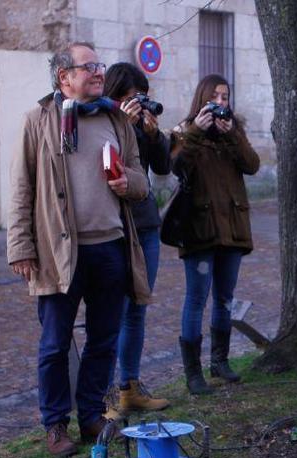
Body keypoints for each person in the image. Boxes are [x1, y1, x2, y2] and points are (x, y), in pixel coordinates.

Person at [7, 42, 150, 457]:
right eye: (88, 67)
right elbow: (21, 189)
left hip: (110, 247)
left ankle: (90, 416)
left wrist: (130, 185)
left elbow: (141, 177)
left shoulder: (114, 119)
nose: (98, 72)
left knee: (104, 339)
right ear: (63, 77)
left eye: (99, 65)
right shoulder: (38, 120)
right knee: (55, 343)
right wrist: (21, 246)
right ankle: (55, 426)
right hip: (57, 253)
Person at [170, 74, 261, 395]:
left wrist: (232, 137)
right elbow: (177, 166)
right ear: (202, 100)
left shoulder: (233, 132)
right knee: (196, 300)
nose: (222, 104)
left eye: (225, 97)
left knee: (224, 298)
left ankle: (219, 362)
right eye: (215, 98)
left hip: (232, 228)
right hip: (199, 230)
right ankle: (194, 374)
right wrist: (196, 131)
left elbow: (252, 165)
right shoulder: (184, 131)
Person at [102, 62, 171, 415]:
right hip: (112, 226)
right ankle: (107, 394)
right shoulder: (100, 122)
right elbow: (102, 165)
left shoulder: (141, 124)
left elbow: (162, 168)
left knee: (138, 309)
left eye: (139, 96)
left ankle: (130, 387)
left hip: (145, 225)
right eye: (129, 98)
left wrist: (154, 134)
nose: (135, 103)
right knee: (112, 312)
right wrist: (123, 126)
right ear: (114, 97)